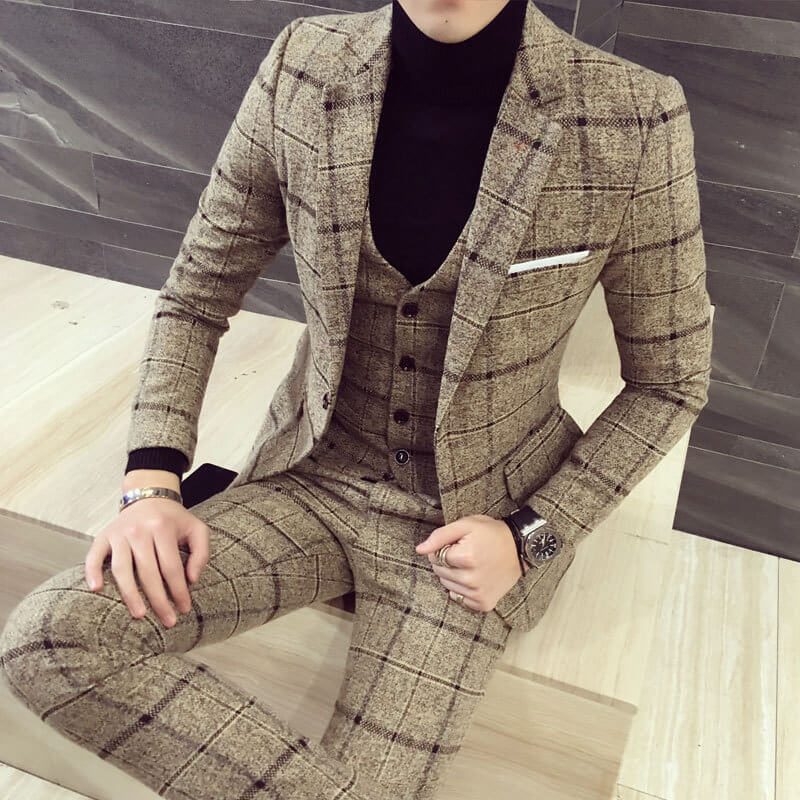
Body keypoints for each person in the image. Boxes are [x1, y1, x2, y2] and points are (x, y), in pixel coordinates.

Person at [0, 1, 712, 798]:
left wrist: (532, 536)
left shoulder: (633, 114)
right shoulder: (305, 64)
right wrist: (151, 480)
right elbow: (198, 290)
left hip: (471, 530)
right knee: (53, 641)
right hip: (310, 476)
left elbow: (670, 381)